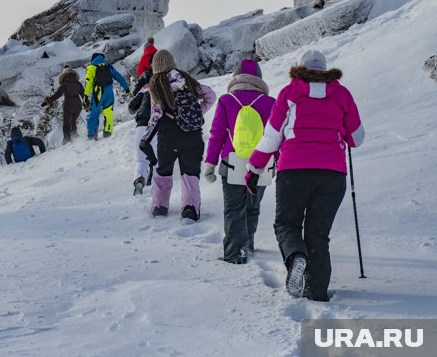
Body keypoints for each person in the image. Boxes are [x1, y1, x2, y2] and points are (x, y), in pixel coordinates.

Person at [245, 50, 364, 301]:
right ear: (325, 69)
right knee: (318, 234)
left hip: (293, 171)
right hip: (332, 175)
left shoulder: (289, 93)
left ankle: (295, 256)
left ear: (301, 68)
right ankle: (317, 292)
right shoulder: (341, 94)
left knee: (287, 224)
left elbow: (271, 137)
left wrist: (254, 168)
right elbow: (357, 138)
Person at [203, 59, 275, 264]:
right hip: (262, 165)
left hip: (232, 163)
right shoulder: (270, 102)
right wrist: (279, 162)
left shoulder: (227, 101)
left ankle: (236, 253)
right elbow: (277, 136)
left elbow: (217, 135)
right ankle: (248, 245)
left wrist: (210, 165)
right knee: (253, 207)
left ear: (235, 77)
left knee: (234, 209)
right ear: (259, 78)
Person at [139, 49, 216, 219]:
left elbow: (156, 114)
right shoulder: (186, 80)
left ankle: (159, 206)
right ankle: (190, 209)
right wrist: (194, 116)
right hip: (193, 135)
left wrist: (146, 138)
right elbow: (210, 95)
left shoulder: (157, 83)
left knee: (164, 172)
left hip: (168, 136)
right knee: (190, 173)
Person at [83, 52, 130, 139]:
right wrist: (127, 88)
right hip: (109, 92)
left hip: (99, 93)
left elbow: (88, 83)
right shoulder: (109, 66)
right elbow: (119, 76)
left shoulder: (91, 67)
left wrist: (85, 97)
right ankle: (108, 132)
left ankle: (92, 135)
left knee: (94, 113)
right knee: (108, 112)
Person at [128, 68, 155, 195]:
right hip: (157, 126)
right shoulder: (166, 87)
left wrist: (142, 91)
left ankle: (139, 179)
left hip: (141, 125)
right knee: (157, 159)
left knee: (141, 160)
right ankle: (154, 186)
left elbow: (131, 108)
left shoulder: (145, 88)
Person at [42, 64, 84, 144]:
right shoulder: (78, 84)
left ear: (64, 75)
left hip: (68, 105)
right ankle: (75, 137)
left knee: (67, 124)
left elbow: (58, 94)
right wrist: (87, 104)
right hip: (78, 105)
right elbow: (84, 96)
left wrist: (48, 100)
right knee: (73, 121)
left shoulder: (64, 84)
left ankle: (67, 140)